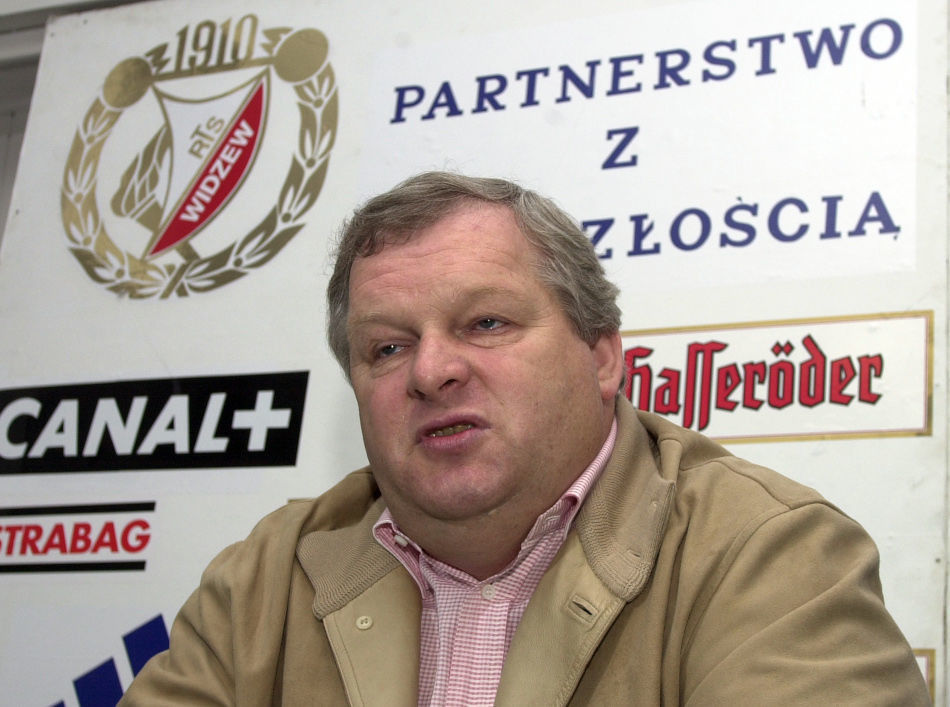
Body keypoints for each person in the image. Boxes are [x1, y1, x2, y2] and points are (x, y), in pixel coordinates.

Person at [121, 172, 929, 705]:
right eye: (388, 347)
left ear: (602, 356)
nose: (432, 370)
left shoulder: (769, 554)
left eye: (486, 322)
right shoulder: (266, 578)